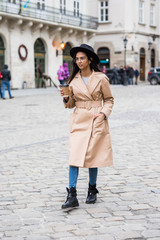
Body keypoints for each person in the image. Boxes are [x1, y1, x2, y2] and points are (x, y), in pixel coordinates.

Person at [60, 44, 114, 209]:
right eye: (77, 59)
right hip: (79, 119)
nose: (79, 61)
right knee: (74, 157)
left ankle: (92, 189)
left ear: (90, 59)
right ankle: (72, 194)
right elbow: (71, 105)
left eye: (82, 58)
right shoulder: (73, 80)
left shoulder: (101, 78)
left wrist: (103, 114)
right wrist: (66, 99)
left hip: (96, 118)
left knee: (92, 156)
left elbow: (109, 100)